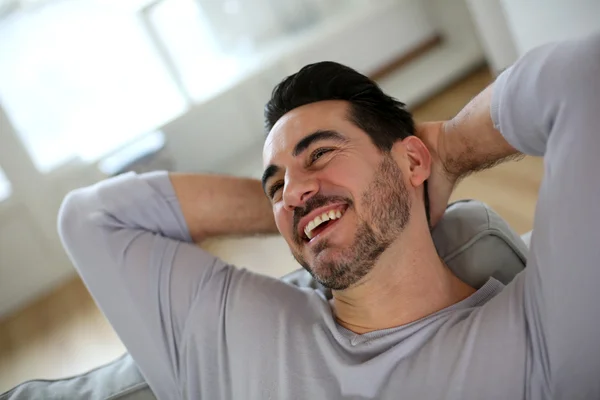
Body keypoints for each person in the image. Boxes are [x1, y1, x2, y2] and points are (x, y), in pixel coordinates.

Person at [58, 32, 600, 400]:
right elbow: (91, 218)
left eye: (320, 153)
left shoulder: (533, 342)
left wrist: (450, 148)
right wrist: (319, 198)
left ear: (412, 159)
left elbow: (583, 75)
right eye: (276, 184)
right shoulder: (232, 327)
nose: (292, 191)